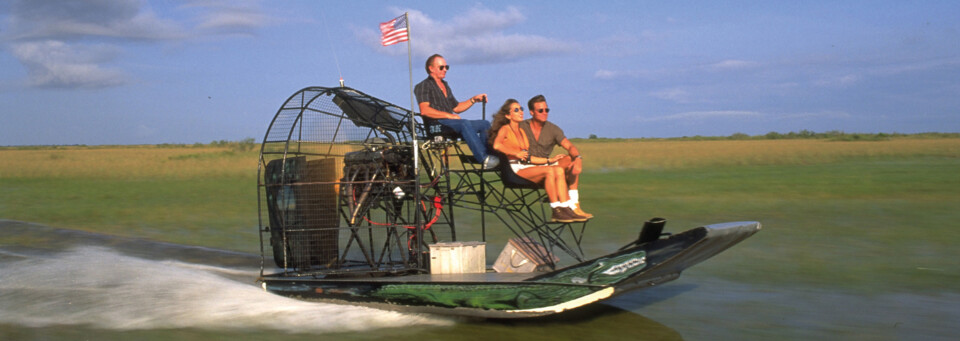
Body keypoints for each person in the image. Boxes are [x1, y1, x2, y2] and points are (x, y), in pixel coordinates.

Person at [488, 99, 587, 223]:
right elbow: (497, 146)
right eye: (516, 110)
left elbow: (528, 157)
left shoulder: (522, 132)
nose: (521, 112)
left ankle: (566, 207)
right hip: (513, 170)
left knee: (558, 170)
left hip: (524, 166)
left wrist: (549, 160)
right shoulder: (505, 129)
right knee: (550, 172)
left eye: (521, 109)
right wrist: (515, 153)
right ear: (508, 115)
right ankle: (556, 210)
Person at [414, 54, 498, 169]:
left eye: (446, 67)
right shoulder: (423, 86)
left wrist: (473, 99)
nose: (445, 70)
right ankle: (484, 158)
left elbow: (457, 107)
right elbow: (424, 110)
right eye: (441, 67)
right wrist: (449, 116)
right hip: (436, 126)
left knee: (485, 124)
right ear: (431, 68)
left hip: (450, 123)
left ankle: (490, 156)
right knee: (463, 123)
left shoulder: (445, 85)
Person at [519, 95, 592, 218]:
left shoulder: (553, 129)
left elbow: (570, 147)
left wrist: (578, 158)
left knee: (569, 159)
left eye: (547, 110)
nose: (544, 113)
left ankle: (574, 204)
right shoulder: (521, 126)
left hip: (546, 165)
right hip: (526, 167)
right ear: (531, 112)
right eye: (540, 110)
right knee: (555, 169)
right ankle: (560, 202)